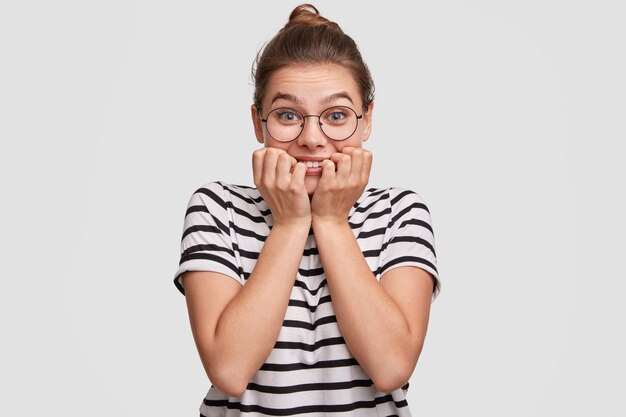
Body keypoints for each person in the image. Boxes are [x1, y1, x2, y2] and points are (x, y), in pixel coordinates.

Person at [173, 4, 440, 416]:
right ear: (258, 123)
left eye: (336, 116)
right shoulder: (217, 208)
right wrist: (291, 222)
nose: (312, 138)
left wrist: (331, 221)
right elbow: (229, 369)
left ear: (367, 119)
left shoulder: (400, 211)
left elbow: (391, 367)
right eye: (287, 115)